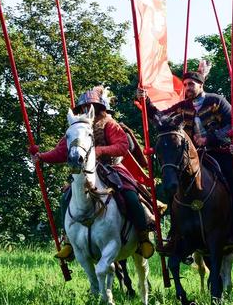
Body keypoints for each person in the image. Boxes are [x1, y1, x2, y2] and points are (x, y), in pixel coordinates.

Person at [136, 62, 233, 254]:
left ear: (200, 85)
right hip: (192, 158)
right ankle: (176, 235)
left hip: (219, 152)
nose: (187, 88)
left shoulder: (217, 101)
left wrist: (209, 138)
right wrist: (146, 102)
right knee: (174, 187)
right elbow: (160, 118)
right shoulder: (182, 107)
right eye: (185, 84)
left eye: (191, 84)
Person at [31, 86, 155, 260]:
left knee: (130, 194)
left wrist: (100, 150)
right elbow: (61, 151)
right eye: (83, 106)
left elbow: (122, 146)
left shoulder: (109, 124)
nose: (86, 109)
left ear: (98, 107)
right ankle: (69, 241)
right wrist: (41, 156)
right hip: (83, 170)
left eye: (90, 106)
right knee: (66, 197)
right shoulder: (76, 127)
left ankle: (143, 238)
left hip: (111, 167)